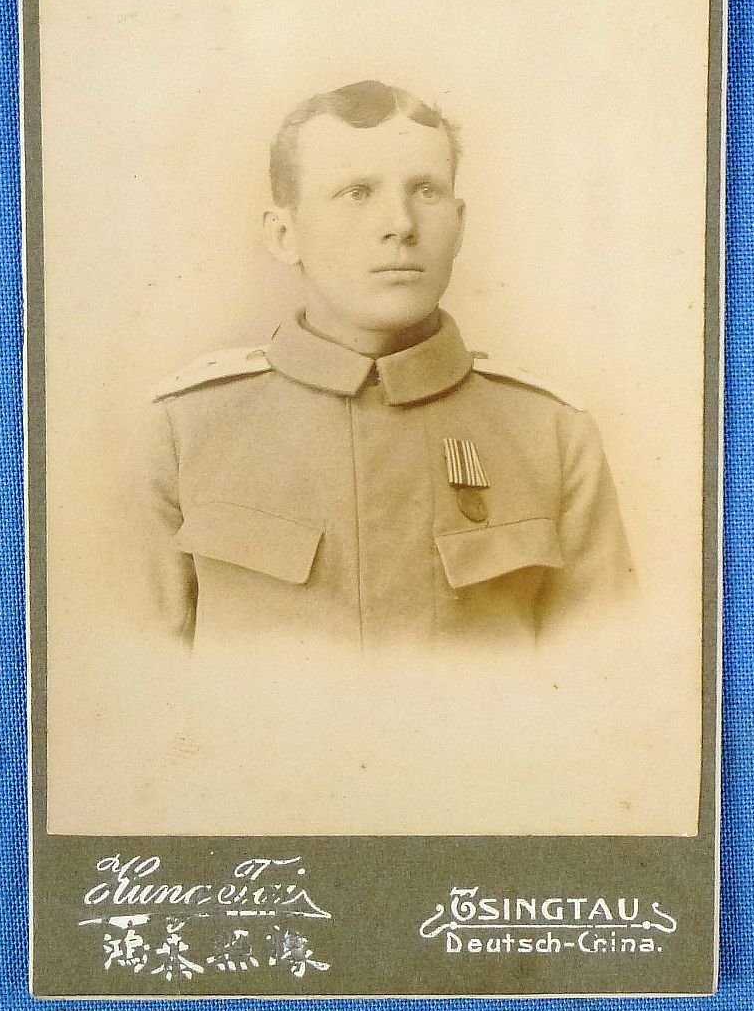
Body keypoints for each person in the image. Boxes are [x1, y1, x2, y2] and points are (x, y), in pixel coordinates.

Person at [143, 80, 634, 654]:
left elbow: (604, 691)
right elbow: (139, 695)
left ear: (459, 224)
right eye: (357, 192)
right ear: (284, 233)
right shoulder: (183, 429)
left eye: (425, 190)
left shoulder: (551, 434)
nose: (400, 224)